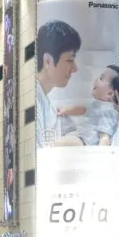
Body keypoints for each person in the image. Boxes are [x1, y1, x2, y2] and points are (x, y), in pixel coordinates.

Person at [35, 19, 81, 148]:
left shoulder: (50, 105)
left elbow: (77, 138)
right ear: (48, 61)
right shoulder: (32, 102)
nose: (75, 68)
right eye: (70, 60)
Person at [56, 66, 119, 147]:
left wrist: (101, 155)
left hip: (84, 142)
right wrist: (67, 111)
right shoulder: (99, 104)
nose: (96, 79)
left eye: (101, 78)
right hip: (79, 134)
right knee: (64, 124)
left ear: (110, 93)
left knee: (61, 143)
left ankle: (49, 144)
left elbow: (105, 137)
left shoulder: (108, 111)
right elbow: (84, 110)